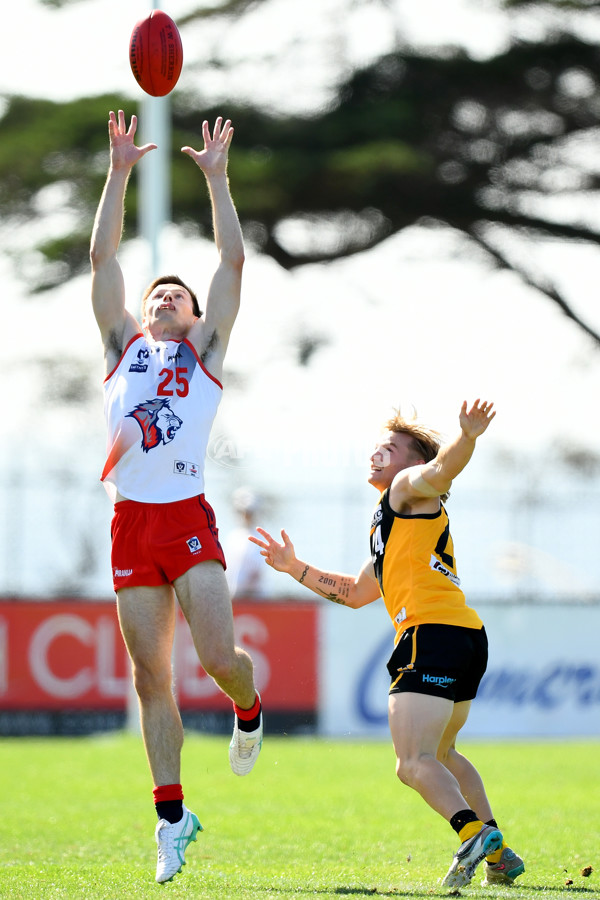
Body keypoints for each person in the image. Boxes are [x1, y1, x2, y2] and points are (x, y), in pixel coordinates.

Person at [249, 400, 525, 891]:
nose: (379, 451)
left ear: (410, 464)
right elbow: (356, 594)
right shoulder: (389, 520)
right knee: (442, 754)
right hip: (464, 635)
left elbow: (441, 470)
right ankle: (499, 857)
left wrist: (467, 438)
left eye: (392, 447)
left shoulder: (405, 489)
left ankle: (474, 834)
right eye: (380, 443)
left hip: (431, 633)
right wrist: (296, 569)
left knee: (412, 763)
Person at [90, 110, 263, 884]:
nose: (162, 297)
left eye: (175, 296)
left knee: (221, 659)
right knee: (149, 680)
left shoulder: (203, 356)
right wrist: (120, 171)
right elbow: (102, 259)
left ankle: (248, 711)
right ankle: (170, 820)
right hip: (131, 525)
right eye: (156, 291)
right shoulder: (122, 347)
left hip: (186, 520)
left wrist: (218, 183)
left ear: (197, 321)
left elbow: (231, 261)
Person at [224, 487, 267, 599]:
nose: (246, 516)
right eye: (243, 513)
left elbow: (258, 570)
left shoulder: (260, 536)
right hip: (234, 594)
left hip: (254, 595)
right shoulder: (233, 537)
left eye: (249, 513)